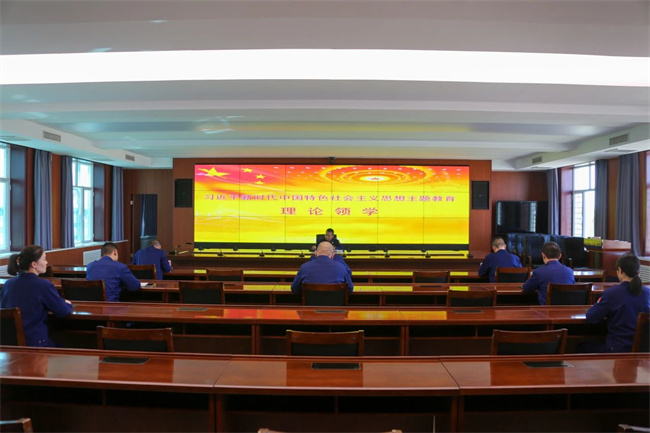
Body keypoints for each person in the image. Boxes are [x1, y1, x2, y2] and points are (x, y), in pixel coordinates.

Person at [0, 245, 73, 347]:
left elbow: (3, 309)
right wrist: (67, 303)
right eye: (44, 259)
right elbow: (62, 311)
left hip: (11, 342)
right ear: (34, 264)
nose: (46, 262)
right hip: (36, 343)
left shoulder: (8, 284)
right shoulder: (44, 285)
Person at [585, 253, 650, 352]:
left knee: (581, 347)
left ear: (619, 270)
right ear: (639, 272)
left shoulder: (611, 294)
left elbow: (591, 317)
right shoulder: (648, 293)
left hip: (617, 350)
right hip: (643, 351)